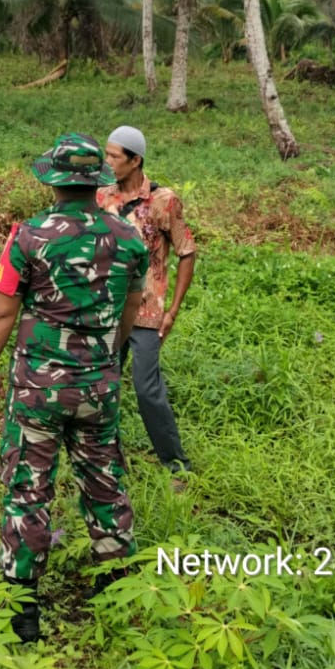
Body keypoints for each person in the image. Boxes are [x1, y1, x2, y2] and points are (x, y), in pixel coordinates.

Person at [0, 133, 148, 643]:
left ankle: (24, 609)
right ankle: (116, 589)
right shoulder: (129, 238)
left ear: (51, 178)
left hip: (36, 389)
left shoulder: (28, 237)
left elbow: (3, 310)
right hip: (99, 384)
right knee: (104, 479)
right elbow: (132, 311)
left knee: (29, 489)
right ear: (97, 180)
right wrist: (110, 361)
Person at [98, 125, 196, 486]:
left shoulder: (163, 201)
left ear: (135, 160)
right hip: (106, 311)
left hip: (146, 314)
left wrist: (172, 311)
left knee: (146, 387)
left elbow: (187, 251)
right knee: (103, 386)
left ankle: (177, 466)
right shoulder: (101, 198)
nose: (107, 162)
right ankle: (109, 461)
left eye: (114, 156)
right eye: (106, 154)